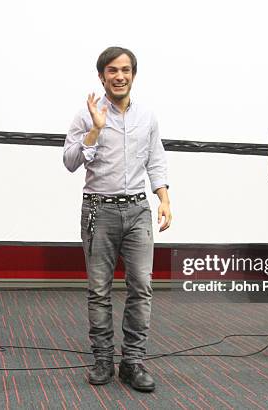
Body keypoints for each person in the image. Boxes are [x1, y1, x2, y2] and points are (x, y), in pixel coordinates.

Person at [63, 46, 172, 391]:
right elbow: (69, 161)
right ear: (101, 76)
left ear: (133, 75)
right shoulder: (86, 115)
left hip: (139, 209)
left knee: (142, 286)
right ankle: (102, 360)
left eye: (125, 70)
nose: (119, 76)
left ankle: (133, 362)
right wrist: (95, 130)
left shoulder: (148, 117)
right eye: (112, 70)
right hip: (99, 209)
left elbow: (156, 160)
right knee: (99, 291)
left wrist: (164, 200)